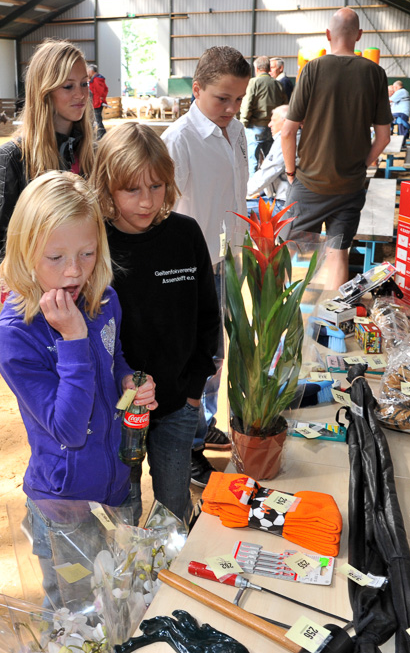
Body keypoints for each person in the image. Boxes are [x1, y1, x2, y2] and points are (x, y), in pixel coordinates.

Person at [0, 171, 157, 603]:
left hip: (118, 481)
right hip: (65, 502)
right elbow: (67, 427)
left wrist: (128, 381)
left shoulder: (101, 299)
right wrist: (73, 339)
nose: (74, 270)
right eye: (56, 257)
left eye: (87, 253)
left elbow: (114, 358)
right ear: (25, 254)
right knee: (75, 611)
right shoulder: (15, 336)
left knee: (118, 594)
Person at [93, 122, 219, 525]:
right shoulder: (94, 246)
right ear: (107, 187)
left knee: (173, 507)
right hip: (117, 410)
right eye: (132, 189)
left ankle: (171, 576)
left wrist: (195, 390)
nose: (147, 201)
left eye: (157, 186)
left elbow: (207, 316)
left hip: (178, 404)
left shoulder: (185, 234)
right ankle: (129, 586)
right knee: (121, 511)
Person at [162, 45, 252, 486]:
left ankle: (201, 427)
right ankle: (188, 445)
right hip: (192, 269)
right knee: (197, 359)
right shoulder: (179, 141)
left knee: (216, 355)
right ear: (196, 90)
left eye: (239, 99)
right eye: (222, 99)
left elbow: (237, 196)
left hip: (226, 260)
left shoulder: (236, 132)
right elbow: (160, 210)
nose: (232, 108)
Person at [281, 7, 392, 288]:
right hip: (350, 186)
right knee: (338, 254)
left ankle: (289, 321)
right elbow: (383, 137)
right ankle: (332, 321)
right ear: (359, 36)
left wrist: (291, 173)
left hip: (309, 181)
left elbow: (287, 131)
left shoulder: (312, 69)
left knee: (292, 253)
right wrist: (362, 165)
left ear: (328, 35)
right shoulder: (375, 73)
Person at [0, 39, 96, 272]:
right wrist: (33, 290)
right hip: (37, 300)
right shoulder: (11, 157)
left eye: (84, 84)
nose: (81, 94)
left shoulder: (93, 153)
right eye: (68, 86)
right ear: (44, 91)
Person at [247, 105, 300, 211]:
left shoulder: (286, 140)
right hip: (288, 200)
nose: (269, 124)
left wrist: (241, 193)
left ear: (285, 122)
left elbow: (268, 171)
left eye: (273, 120)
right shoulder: (298, 135)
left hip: (284, 204)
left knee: (236, 209)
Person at [240, 56, 287, 174]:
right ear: (268, 68)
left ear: (256, 69)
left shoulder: (254, 82)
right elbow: (284, 105)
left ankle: (253, 190)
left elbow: (247, 103)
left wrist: (243, 122)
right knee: (270, 160)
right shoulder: (277, 84)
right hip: (273, 128)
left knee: (253, 160)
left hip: (255, 127)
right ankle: (269, 190)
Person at [87, 62, 108, 139]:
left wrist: (100, 99)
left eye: (88, 71)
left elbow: (100, 91)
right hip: (97, 102)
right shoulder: (96, 78)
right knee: (97, 119)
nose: (87, 73)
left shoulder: (96, 79)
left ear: (92, 71)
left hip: (97, 103)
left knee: (97, 119)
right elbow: (105, 89)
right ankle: (101, 134)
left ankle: (101, 134)